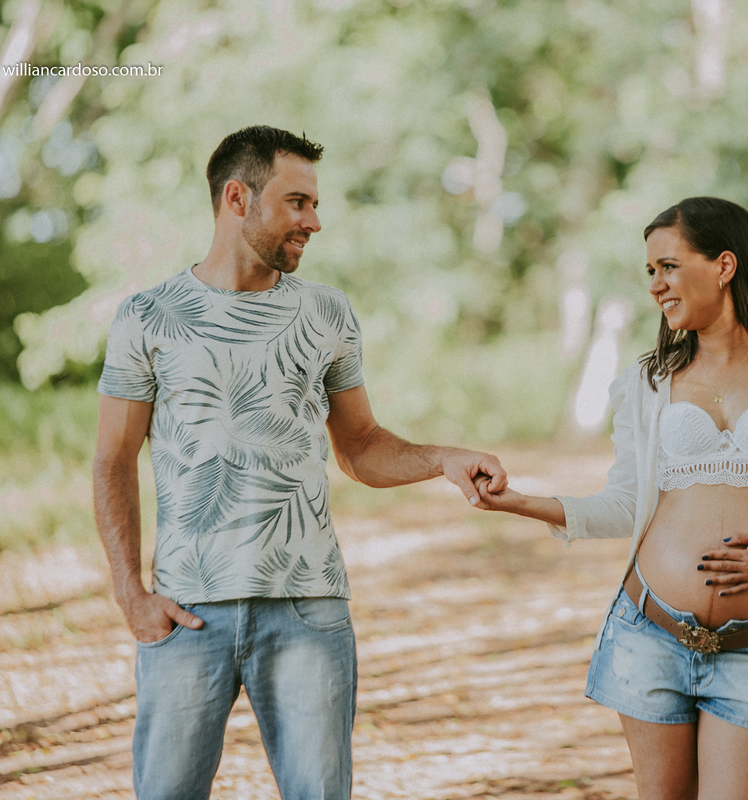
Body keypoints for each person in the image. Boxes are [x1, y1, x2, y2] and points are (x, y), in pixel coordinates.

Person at [92, 125, 507, 800]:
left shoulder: (326, 314)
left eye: (314, 203)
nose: (314, 220)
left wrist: (445, 459)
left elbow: (362, 444)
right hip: (188, 610)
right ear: (237, 198)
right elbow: (112, 459)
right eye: (297, 202)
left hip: (309, 612)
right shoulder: (149, 317)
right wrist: (129, 592)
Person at [473, 197, 748, 800]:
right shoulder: (648, 384)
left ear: (724, 265)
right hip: (647, 635)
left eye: (669, 267)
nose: (656, 285)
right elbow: (626, 505)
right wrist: (520, 501)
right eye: (650, 271)